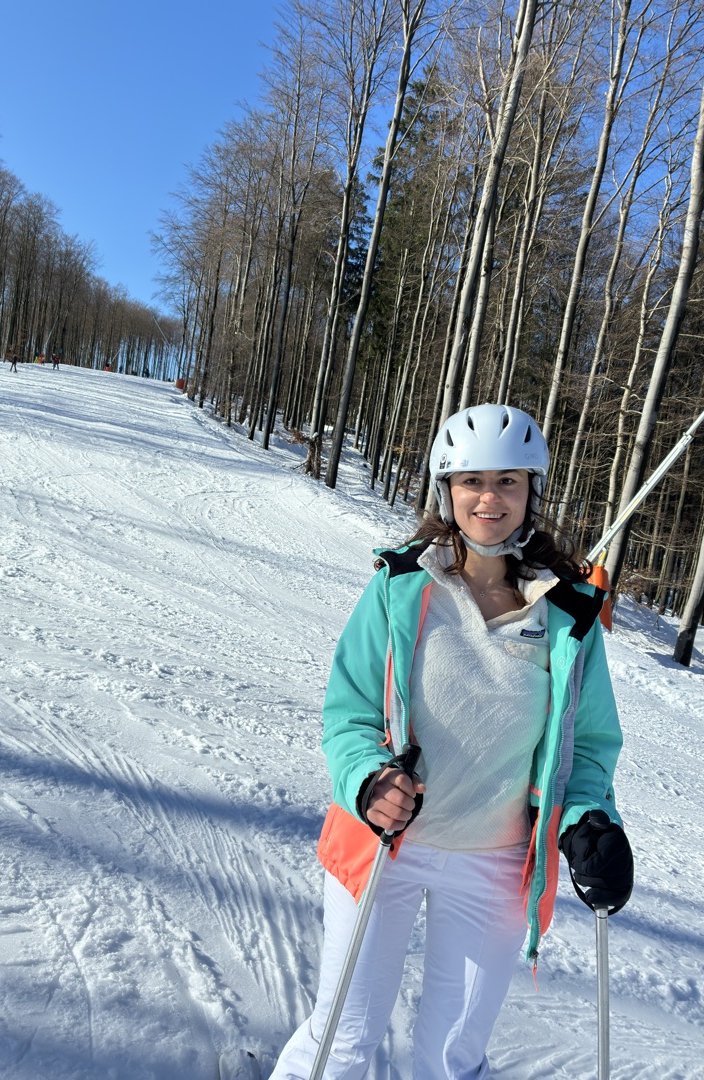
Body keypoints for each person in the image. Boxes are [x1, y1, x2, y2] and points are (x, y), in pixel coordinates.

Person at [270, 403, 633, 1080]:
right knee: (343, 1037)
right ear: (447, 490)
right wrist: (369, 779)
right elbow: (346, 713)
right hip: (387, 844)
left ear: (531, 493)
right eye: (471, 481)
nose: (488, 498)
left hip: (493, 865)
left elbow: (587, 747)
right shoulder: (403, 587)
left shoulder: (569, 616)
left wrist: (589, 820)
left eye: (507, 481)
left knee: (451, 1055)